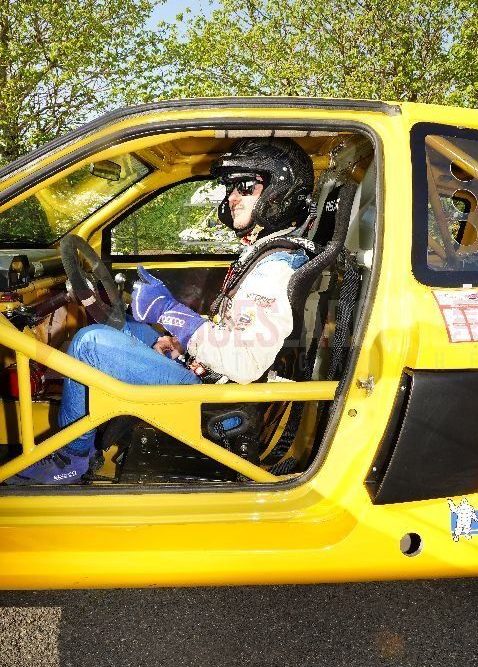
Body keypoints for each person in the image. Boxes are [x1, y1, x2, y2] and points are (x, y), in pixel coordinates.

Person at [5, 138, 315, 484]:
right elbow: (235, 331)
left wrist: (169, 311)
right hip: (212, 375)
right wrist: (181, 345)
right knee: (127, 329)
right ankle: (94, 431)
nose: (232, 197)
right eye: (231, 188)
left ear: (279, 192)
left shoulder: (274, 270)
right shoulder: (268, 253)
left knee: (90, 344)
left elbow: (244, 362)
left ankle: (71, 458)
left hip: (218, 398)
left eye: (245, 187)